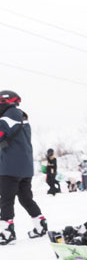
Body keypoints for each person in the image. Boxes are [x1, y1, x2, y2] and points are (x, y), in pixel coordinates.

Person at [0, 90, 48, 244]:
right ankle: (40, 224)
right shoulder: (23, 118)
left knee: (6, 199)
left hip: (9, 168)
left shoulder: (6, 119)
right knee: (26, 198)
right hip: (26, 168)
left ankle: (7, 232)